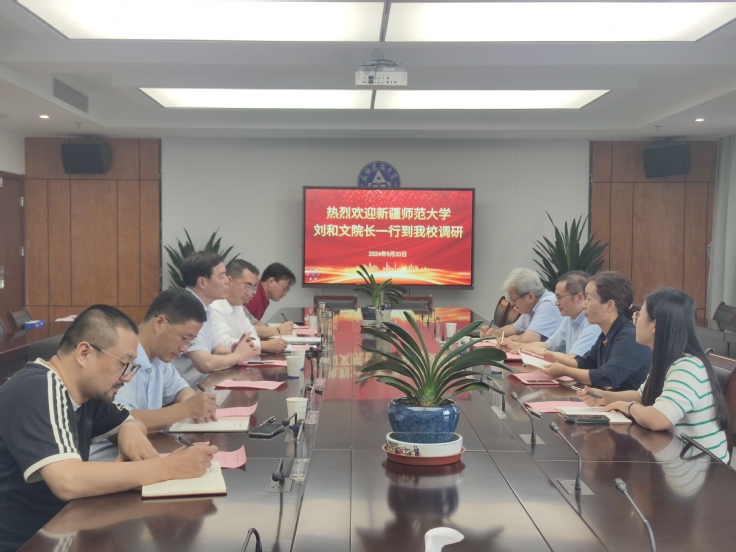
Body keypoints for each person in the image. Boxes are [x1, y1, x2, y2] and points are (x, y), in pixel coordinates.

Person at [0, 305, 216, 551]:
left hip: (60, 529)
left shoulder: (88, 394)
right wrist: (170, 467)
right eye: (124, 364)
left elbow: (129, 420)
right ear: (84, 353)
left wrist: (129, 429)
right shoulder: (39, 388)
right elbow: (68, 480)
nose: (127, 377)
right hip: (24, 542)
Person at [578, 288, 729, 463]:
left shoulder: (687, 367)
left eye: (638, 316)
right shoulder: (667, 361)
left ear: (655, 326)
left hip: (704, 468)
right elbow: (642, 396)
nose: (634, 322)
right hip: (681, 457)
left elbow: (658, 419)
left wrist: (627, 406)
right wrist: (604, 397)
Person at [90, 289, 218, 461]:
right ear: (159, 323)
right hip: (109, 461)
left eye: (190, 342)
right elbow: (120, 420)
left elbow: (180, 390)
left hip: (145, 453)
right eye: (184, 338)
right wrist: (186, 409)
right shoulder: (122, 359)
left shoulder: (159, 359)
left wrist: (196, 404)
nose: (185, 348)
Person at [540, 271, 651, 391]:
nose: (584, 305)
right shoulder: (607, 333)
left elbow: (606, 377)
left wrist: (565, 371)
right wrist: (554, 357)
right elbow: (585, 363)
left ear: (609, 305)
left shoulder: (629, 337)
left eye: (588, 299)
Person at [172, 251, 257, 386]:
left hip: (203, 383)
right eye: (222, 276)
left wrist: (235, 349)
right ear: (202, 282)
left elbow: (215, 347)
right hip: (187, 388)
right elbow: (204, 363)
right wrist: (238, 356)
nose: (227, 281)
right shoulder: (188, 309)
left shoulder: (204, 307)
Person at [509, 271, 601, 360]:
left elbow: (574, 360)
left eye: (559, 297)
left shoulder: (592, 323)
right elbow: (547, 346)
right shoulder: (569, 318)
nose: (556, 303)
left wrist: (526, 349)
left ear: (579, 298)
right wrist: (517, 346)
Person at [211, 259, 289, 354]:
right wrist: (262, 346)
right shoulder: (214, 307)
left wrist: (252, 343)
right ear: (229, 281)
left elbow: (251, 333)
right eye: (247, 286)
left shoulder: (238, 306)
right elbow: (223, 344)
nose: (252, 292)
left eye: (254, 287)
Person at [479, 268, 562, 343]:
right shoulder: (531, 305)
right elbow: (515, 328)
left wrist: (515, 338)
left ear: (530, 297)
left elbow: (528, 340)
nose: (511, 304)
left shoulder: (548, 304)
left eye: (514, 299)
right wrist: (493, 333)